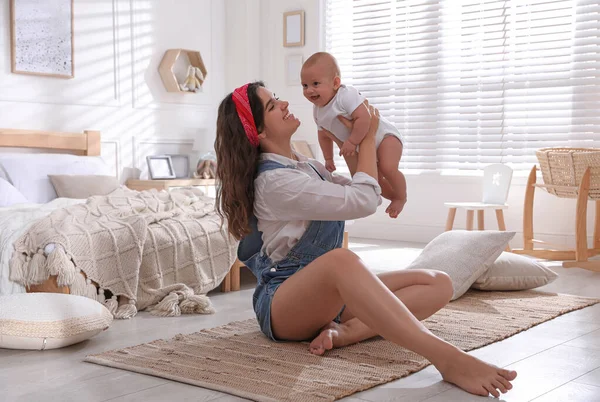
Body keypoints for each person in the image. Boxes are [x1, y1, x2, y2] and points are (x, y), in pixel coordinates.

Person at [214, 81, 517, 398]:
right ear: (258, 132)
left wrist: (361, 146)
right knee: (340, 261)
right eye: (273, 106)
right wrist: (369, 137)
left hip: (327, 299)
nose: (285, 103)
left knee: (438, 282)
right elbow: (362, 200)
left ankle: (345, 333)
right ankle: (447, 358)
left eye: (277, 98)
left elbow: (365, 188)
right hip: (283, 306)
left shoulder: (306, 166)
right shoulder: (274, 181)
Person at [301, 52, 407, 218]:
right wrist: (329, 158)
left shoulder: (345, 95)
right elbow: (323, 135)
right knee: (374, 178)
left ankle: (401, 197)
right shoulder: (318, 111)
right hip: (364, 145)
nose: (309, 90)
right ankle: (392, 196)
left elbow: (365, 118)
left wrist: (352, 141)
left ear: (336, 83)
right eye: (305, 85)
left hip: (385, 137)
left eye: (315, 83)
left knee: (387, 167)